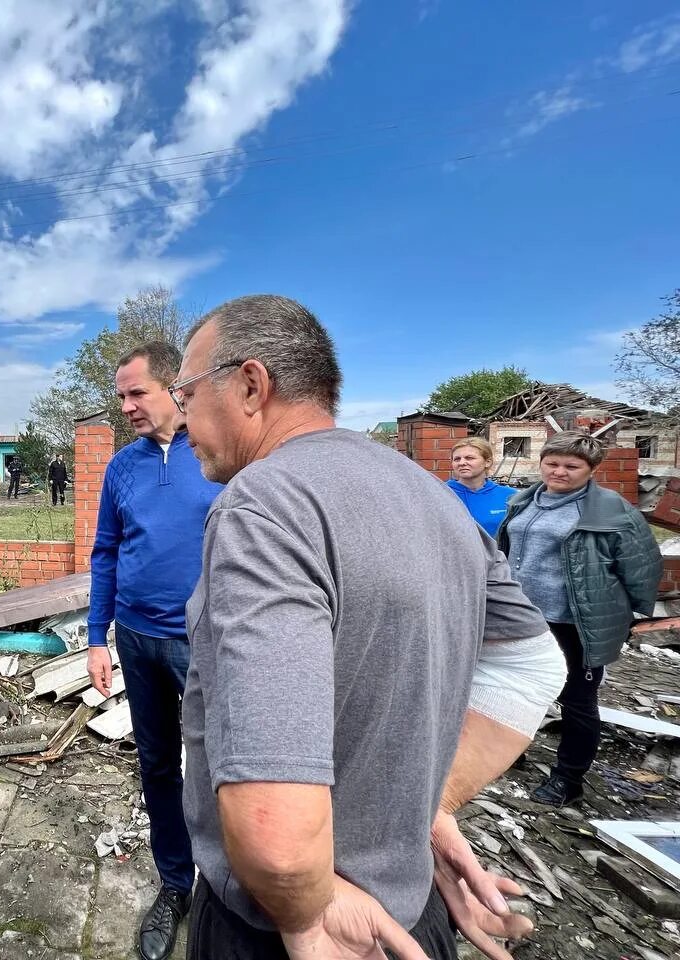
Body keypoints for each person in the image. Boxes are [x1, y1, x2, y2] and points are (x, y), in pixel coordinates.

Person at [175, 294, 565, 960]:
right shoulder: (429, 496)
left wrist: (308, 916)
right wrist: (427, 810)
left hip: (300, 930)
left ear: (249, 385)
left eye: (185, 395)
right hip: (413, 912)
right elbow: (532, 666)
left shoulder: (265, 501)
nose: (182, 423)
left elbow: (272, 834)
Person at [86, 341, 224, 960]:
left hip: (206, 643)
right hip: (138, 642)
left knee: (225, 768)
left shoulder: (219, 455)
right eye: (121, 396)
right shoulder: (123, 467)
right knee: (158, 766)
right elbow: (106, 553)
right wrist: (96, 638)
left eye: (136, 392)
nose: (127, 406)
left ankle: (232, 886)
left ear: (175, 388)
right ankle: (175, 883)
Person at [496, 430, 662, 806]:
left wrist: (629, 617)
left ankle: (568, 779)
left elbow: (642, 564)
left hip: (576, 621)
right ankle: (510, 753)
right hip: (522, 616)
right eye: (552, 463)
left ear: (590, 470)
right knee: (516, 690)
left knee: (577, 700)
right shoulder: (525, 501)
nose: (559, 472)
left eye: (571, 466)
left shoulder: (610, 509)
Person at [447, 437, 514, 537]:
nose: (462, 463)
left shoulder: (510, 496)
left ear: (488, 462)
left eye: (469, 458)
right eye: (457, 459)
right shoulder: (442, 493)